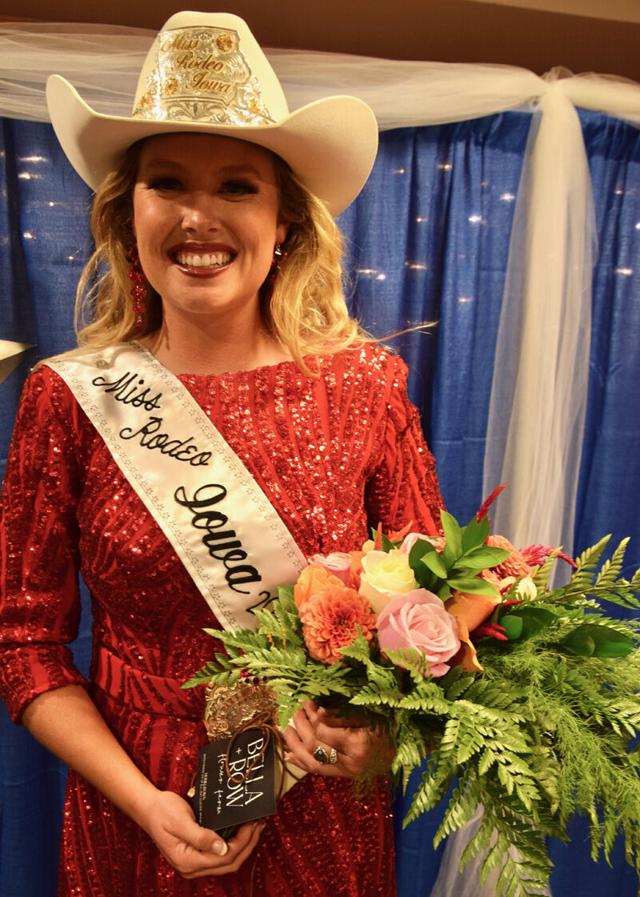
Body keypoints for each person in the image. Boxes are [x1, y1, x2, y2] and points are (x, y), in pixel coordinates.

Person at [0, 12, 444, 896]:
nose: (199, 216)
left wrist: (382, 734)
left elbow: (438, 617)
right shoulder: (69, 398)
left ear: (284, 222)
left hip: (315, 794)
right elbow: (26, 646)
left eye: (237, 185)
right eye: (168, 182)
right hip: (139, 796)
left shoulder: (367, 388)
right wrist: (143, 801)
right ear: (130, 218)